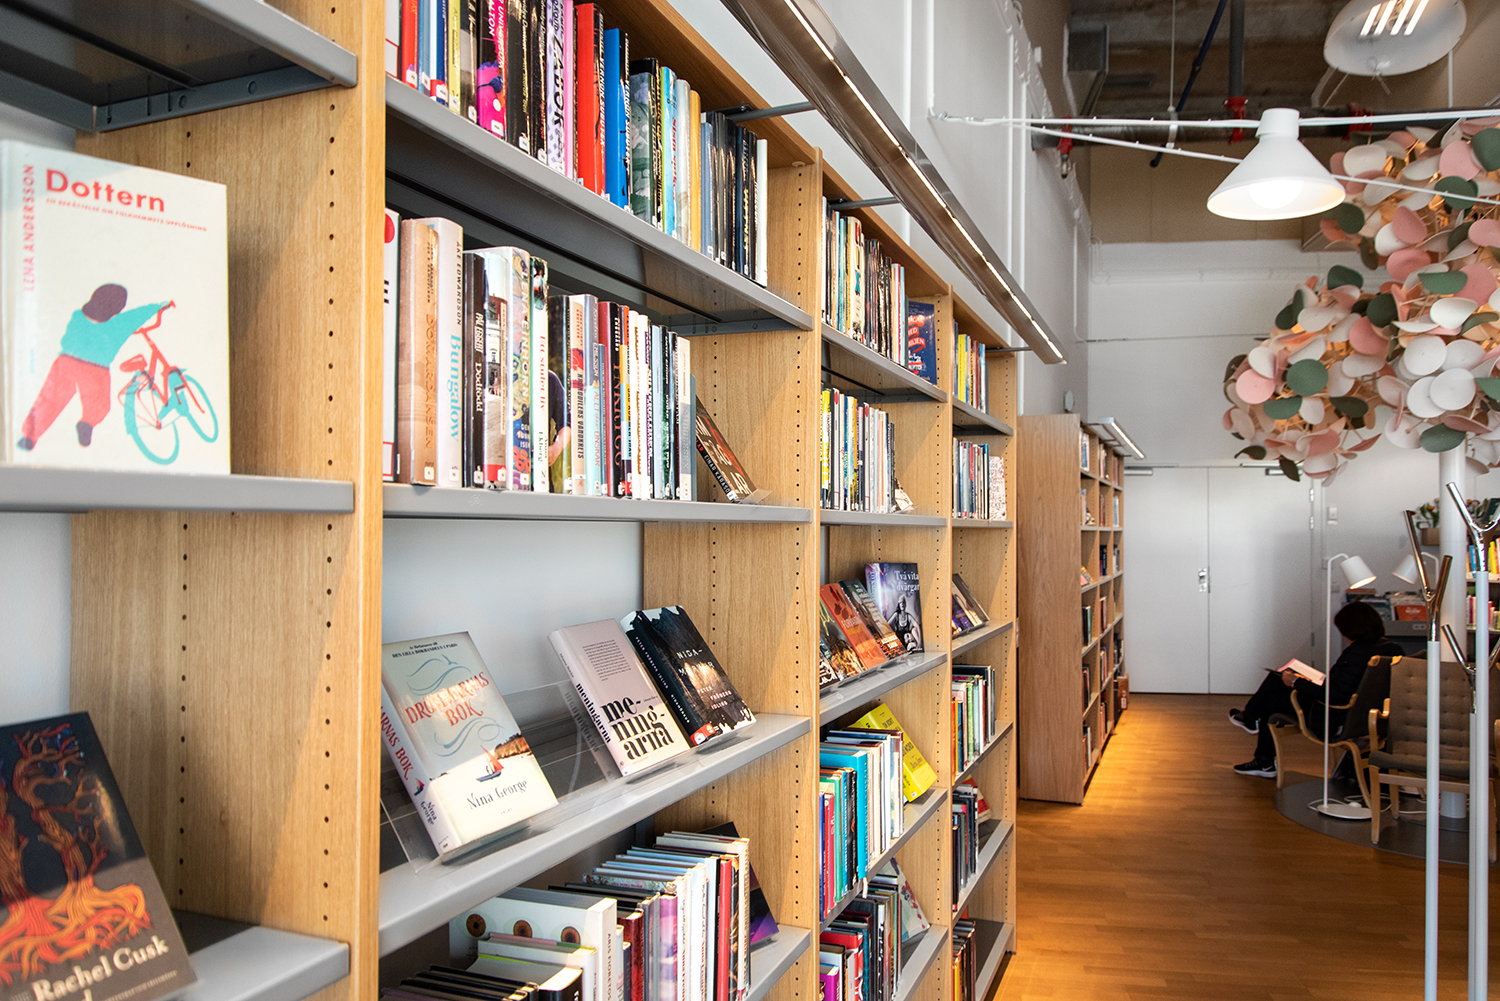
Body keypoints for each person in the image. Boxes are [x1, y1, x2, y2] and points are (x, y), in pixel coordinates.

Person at [1229, 601, 1400, 778]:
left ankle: (1251, 724)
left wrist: (1295, 681)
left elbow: (1336, 696)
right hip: (1369, 719)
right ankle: (1258, 747)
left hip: (1335, 719)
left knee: (1275, 685)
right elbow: (1348, 686)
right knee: (1275, 694)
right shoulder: (1392, 649)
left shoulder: (1356, 654)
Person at [18, 285, 171, 450]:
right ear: (117, 309)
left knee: (50, 400)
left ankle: (29, 437)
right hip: (95, 369)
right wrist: (158, 306)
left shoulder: (77, 316)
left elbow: (65, 339)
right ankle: (87, 423)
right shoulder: (119, 324)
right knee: (99, 404)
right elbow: (138, 315)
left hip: (66, 362)